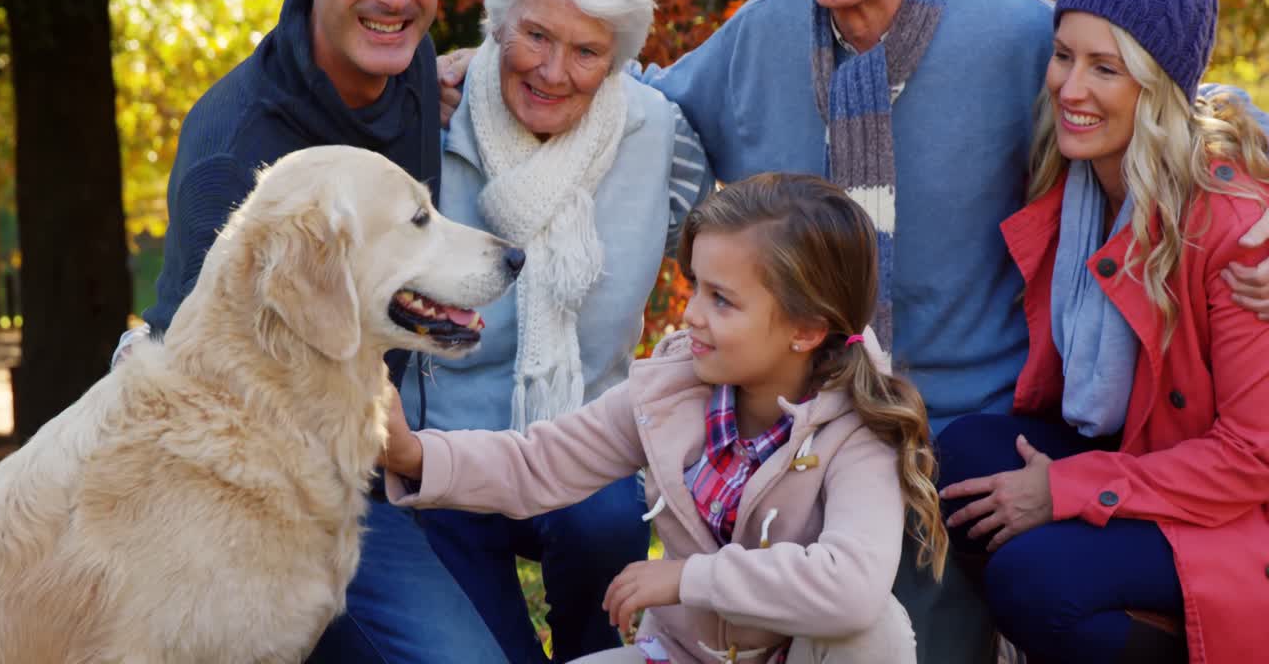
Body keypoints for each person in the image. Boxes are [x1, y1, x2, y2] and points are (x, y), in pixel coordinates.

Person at [435, 0, 1269, 661]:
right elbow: (640, 96)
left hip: (970, 440)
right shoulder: (765, 32)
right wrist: (500, 63)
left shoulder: (1020, 36)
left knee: (975, 603)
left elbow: (1182, 100)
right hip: (806, 435)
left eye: (1093, 67)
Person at [380, 172, 947, 664]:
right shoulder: (672, 391)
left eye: (722, 300)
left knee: (877, 632)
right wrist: (414, 455)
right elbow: (538, 461)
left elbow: (851, 585)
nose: (692, 314)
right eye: (695, 286)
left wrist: (688, 579)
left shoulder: (860, 429)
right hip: (679, 655)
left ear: (806, 330)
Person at [128, 0, 507, 661]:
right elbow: (191, 387)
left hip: (387, 450)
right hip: (261, 499)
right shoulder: (230, 158)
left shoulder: (411, 60)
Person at [936, 0, 1269, 662]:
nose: (1070, 87)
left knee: (1036, 580)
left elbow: (1250, 459)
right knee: (961, 462)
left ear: (1158, 85)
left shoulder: (1238, 232)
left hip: (1230, 507)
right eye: (1063, 56)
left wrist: (1066, 489)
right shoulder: (1076, 183)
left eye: (1106, 68)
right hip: (1133, 453)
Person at [396, 0, 715, 661]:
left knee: (601, 524)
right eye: (536, 35)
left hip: (587, 454)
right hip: (445, 452)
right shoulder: (425, 117)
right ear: (499, 23)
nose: (551, 71)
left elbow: (725, 262)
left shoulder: (662, 136)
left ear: (620, 60)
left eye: (586, 51)